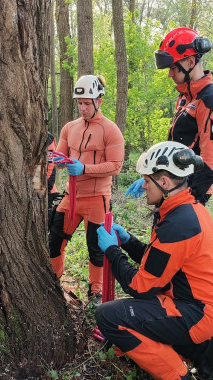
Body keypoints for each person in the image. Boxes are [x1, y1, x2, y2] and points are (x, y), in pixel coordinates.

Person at [96, 141, 213, 380]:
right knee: (141, 310)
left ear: (165, 182)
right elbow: (161, 262)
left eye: (147, 180)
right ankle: (205, 350)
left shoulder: (178, 224)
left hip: (194, 312)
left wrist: (112, 251)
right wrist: (129, 241)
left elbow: (141, 286)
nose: (143, 186)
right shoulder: (188, 210)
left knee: (109, 316)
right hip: (196, 306)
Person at [126, 28, 213, 205]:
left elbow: (211, 159)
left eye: (173, 67)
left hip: (190, 188)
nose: (170, 73)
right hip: (171, 184)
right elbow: (175, 148)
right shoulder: (184, 97)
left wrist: (191, 197)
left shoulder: (212, 99)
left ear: (190, 62)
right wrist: (152, 178)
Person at [49, 75, 125, 304]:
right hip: (70, 197)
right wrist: (58, 160)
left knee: (96, 247)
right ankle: (54, 282)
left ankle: (96, 292)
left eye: (87, 103)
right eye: (79, 103)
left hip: (97, 199)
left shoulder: (110, 130)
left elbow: (116, 166)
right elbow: (60, 154)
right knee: (54, 239)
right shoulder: (69, 128)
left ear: (99, 101)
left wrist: (84, 168)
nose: (82, 108)